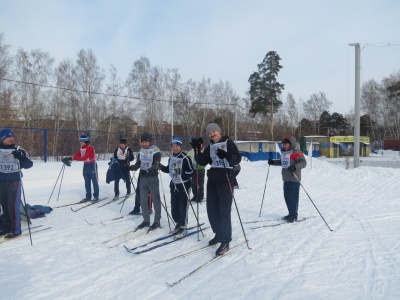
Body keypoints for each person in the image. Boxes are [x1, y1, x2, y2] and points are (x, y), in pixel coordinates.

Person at [191, 123, 241, 256]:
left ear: (219, 131)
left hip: (225, 180)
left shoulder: (228, 143)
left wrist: (227, 155)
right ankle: (218, 234)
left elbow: (237, 159)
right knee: (212, 209)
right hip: (213, 180)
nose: (212, 134)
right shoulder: (211, 146)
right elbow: (202, 161)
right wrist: (197, 150)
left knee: (224, 211)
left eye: (214, 132)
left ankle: (225, 240)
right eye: (209, 133)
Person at [0, 128, 33, 238]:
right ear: (2, 138)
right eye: (8, 137)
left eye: (12, 136)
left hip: (14, 180)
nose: (11, 138)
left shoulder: (18, 148)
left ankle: (16, 229)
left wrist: (21, 157)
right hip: (1, 181)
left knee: (12, 206)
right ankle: (6, 227)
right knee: (4, 205)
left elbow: (29, 164)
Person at [159, 137, 194, 239]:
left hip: (184, 186)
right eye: (173, 146)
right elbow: (168, 170)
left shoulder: (185, 158)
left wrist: (182, 172)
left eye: (177, 146)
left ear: (181, 146)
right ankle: (178, 224)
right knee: (174, 208)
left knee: (182, 207)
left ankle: (183, 227)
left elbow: (191, 172)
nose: (174, 148)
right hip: (174, 186)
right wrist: (160, 166)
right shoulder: (171, 158)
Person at [268, 135, 307, 223]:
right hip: (286, 179)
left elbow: (303, 163)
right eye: (283, 144)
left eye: (286, 144)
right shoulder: (285, 153)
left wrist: (294, 167)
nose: (284, 146)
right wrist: (273, 162)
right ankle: (290, 213)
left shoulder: (297, 152)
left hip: (294, 179)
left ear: (291, 144)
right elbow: (283, 162)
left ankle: (294, 215)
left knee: (293, 198)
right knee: (287, 197)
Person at [130, 133, 162, 231]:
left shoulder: (156, 150)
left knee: (156, 200)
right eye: (142, 142)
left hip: (152, 178)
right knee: (143, 200)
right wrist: (129, 167)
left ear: (149, 142)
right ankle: (146, 220)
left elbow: (156, 165)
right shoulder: (141, 151)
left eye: (146, 142)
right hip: (143, 178)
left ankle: (156, 221)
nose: (144, 144)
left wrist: (148, 170)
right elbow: (138, 164)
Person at [62, 135, 100, 203]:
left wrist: (72, 158)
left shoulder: (90, 148)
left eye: (82, 141)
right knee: (87, 181)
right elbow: (77, 155)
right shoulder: (81, 148)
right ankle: (88, 196)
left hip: (92, 165)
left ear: (85, 141)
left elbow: (84, 157)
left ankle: (96, 197)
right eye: (80, 141)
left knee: (94, 181)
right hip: (86, 165)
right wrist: (69, 158)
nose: (81, 142)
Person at [187, 137, 205, 202]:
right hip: (194, 169)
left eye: (201, 144)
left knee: (200, 183)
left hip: (201, 169)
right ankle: (195, 195)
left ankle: (200, 196)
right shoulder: (192, 151)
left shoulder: (203, 150)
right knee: (193, 183)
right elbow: (188, 156)